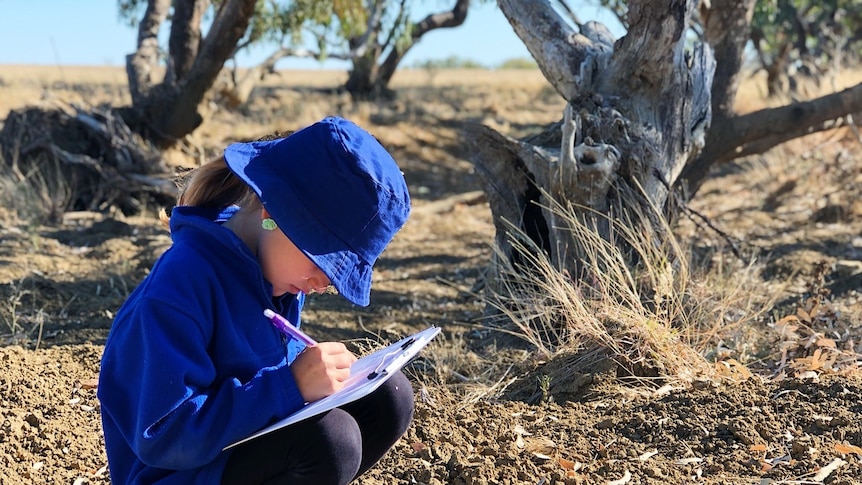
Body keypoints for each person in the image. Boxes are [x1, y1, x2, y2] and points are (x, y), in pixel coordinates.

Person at [97, 116, 414, 484]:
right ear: (272, 213)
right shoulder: (180, 287)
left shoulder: (278, 275)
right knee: (331, 442)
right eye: (323, 260)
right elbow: (164, 435)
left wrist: (318, 380)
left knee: (390, 399)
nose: (325, 282)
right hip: (175, 471)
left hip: (235, 449)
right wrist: (289, 386)